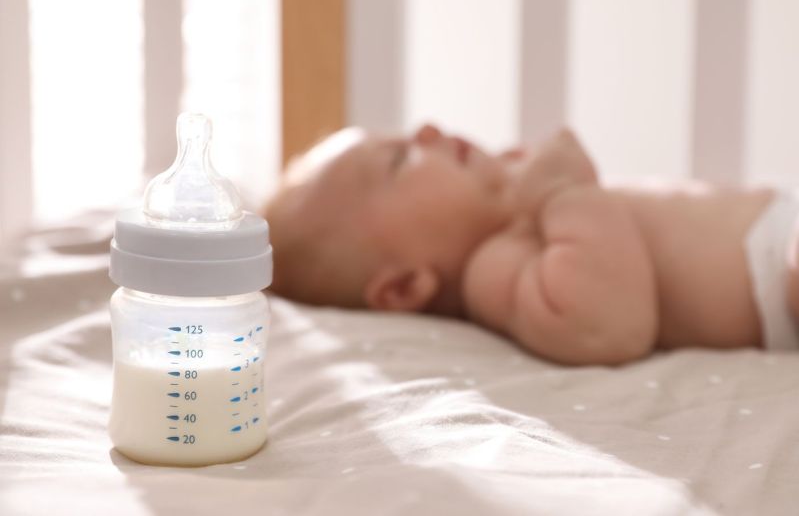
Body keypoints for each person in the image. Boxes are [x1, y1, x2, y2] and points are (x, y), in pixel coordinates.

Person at [262, 124, 799, 366]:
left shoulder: (519, 212)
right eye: (400, 159)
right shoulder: (497, 268)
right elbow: (609, 326)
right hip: (780, 274)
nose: (426, 130)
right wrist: (564, 193)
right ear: (405, 287)